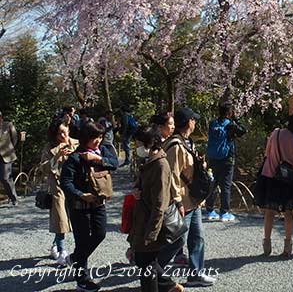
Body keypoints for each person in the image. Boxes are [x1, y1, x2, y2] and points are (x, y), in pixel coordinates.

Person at [160, 107, 215, 287]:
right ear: (188, 122)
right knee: (178, 239)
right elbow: (172, 176)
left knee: (197, 237)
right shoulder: (175, 146)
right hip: (182, 200)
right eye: (194, 119)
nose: (196, 122)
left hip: (193, 200)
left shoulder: (186, 142)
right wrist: (176, 201)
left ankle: (196, 274)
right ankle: (154, 269)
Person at [60, 122, 118, 292]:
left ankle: (75, 258)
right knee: (82, 240)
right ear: (85, 138)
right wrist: (80, 194)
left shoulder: (102, 151)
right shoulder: (75, 158)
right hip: (79, 206)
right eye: (94, 138)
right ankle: (82, 280)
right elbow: (66, 182)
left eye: (100, 137)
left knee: (100, 233)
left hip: (99, 202)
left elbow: (114, 163)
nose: (98, 141)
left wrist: (98, 159)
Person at [129, 125, 185, 292]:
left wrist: (151, 233)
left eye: (138, 143)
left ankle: (168, 286)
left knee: (147, 266)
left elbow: (160, 204)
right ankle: (170, 286)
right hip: (143, 220)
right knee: (143, 261)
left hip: (151, 223)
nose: (136, 147)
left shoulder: (160, 165)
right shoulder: (149, 161)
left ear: (149, 143)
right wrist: (137, 191)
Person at [254, 112, 293, 257]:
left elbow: (267, 153)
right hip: (289, 181)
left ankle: (267, 244)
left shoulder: (276, 133)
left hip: (271, 176)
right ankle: (287, 246)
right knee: (288, 213)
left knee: (269, 212)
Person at [43, 118, 78, 265]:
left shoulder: (77, 143)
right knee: (60, 220)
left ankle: (57, 245)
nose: (63, 136)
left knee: (76, 218)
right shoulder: (49, 148)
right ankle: (62, 249)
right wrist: (57, 157)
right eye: (59, 134)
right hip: (57, 187)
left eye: (65, 132)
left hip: (75, 186)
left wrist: (73, 154)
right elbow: (43, 168)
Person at [205, 102, 246, 222]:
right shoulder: (230, 125)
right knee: (226, 186)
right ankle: (224, 212)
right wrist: (236, 119)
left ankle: (210, 210)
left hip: (213, 158)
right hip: (227, 159)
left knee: (212, 184)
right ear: (230, 112)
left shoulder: (213, 123)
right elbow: (243, 130)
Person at [0, 111, 19, 206]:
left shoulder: (7, 125)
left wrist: (10, 149)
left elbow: (14, 138)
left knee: (5, 178)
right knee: (7, 178)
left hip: (6, 155)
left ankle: (13, 198)